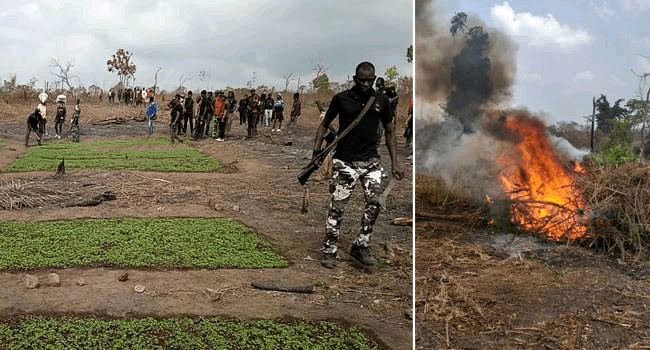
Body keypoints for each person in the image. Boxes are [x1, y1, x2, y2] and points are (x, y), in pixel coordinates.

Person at [312, 61, 404, 269]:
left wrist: (395, 162)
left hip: (371, 163)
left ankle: (361, 245)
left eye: (369, 80)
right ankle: (329, 249)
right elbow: (324, 125)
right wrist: (315, 152)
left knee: (375, 204)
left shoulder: (381, 101)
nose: (365, 84)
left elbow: (390, 132)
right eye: (361, 80)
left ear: (374, 79)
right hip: (345, 162)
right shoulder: (341, 99)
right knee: (337, 207)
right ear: (354, 79)